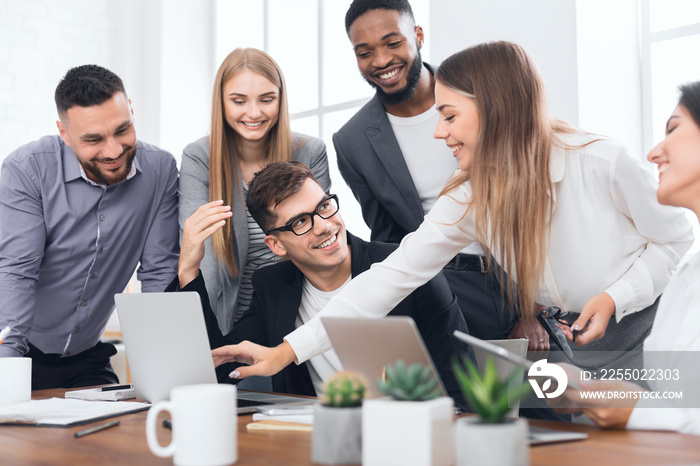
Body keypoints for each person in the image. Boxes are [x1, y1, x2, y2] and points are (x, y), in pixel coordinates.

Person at [209, 41, 694, 389]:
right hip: (569, 341)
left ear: (497, 111)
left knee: (668, 442)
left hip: (647, 327)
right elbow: (387, 278)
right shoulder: (466, 200)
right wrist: (287, 351)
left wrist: (614, 296)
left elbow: (677, 241)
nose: (439, 133)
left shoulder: (603, 162)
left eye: (449, 115)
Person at [172, 161, 470, 409]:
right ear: (276, 245)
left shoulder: (409, 267)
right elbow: (215, 366)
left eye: (324, 206)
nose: (324, 225)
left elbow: (460, 388)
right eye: (300, 222)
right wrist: (188, 272)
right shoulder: (272, 287)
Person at [335, 0, 514, 341]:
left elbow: (525, 193)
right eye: (364, 52)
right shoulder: (351, 141)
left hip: (513, 278)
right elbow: (386, 239)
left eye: (392, 43)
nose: (381, 61)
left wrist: (534, 307)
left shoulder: (478, 93)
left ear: (417, 35)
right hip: (440, 291)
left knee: (539, 389)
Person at [0, 65, 179, 389]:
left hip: (87, 358)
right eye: (93, 139)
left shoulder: (161, 170)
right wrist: (7, 375)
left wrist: (164, 372)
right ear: (64, 133)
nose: (113, 151)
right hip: (20, 352)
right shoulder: (27, 169)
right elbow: (17, 272)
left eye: (122, 130)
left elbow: (159, 271)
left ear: (131, 112)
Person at [553, 81, 700, 435]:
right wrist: (602, 394)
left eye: (674, 129)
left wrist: (639, 410)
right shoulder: (687, 272)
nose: (653, 153)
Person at [179, 48, 330, 336]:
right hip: (228, 317)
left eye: (267, 99)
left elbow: (320, 238)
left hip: (299, 314)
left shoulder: (310, 151)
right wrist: (204, 338)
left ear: (280, 99)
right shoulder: (199, 158)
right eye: (238, 101)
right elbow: (203, 255)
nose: (254, 113)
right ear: (221, 102)